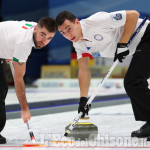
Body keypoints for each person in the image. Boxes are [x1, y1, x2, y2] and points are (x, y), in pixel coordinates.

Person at [56, 10, 150, 138]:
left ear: (77, 22)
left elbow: (133, 15)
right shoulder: (78, 45)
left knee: (133, 81)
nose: (68, 34)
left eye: (69, 29)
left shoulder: (96, 21)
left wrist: (122, 44)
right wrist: (83, 100)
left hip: (147, 35)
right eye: (63, 33)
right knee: (133, 82)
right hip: (141, 45)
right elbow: (84, 70)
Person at [0, 17, 57, 144]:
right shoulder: (24, 43)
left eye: (49, 38)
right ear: (36, 28)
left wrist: (9, 52)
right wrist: (24, 109)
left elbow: (10, 34)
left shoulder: (33, 28)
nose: (44, 41)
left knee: (2, 89)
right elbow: (18, 79)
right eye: (42, 35)